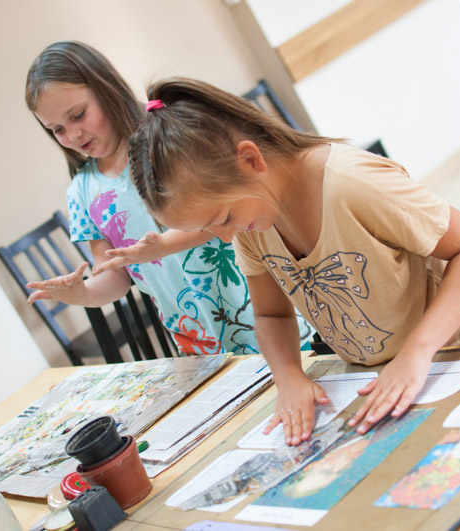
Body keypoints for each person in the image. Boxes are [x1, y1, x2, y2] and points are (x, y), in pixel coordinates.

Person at [127, 77, 460, 445]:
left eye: (224, 218)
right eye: (210, 228)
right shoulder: (251, 221)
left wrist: (417, 351)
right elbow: (271, 315)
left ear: (250, 160)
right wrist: (288, 376)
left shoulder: (350, 183)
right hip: (387, 376)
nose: (226, 236)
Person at [23, 41, 313, 356]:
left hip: (263, 308)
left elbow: (223, 215)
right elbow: (114, 273)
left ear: (106, 89)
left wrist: (161, 246)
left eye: (78, 115)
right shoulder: (80, 192)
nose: (73, 135)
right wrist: (83, 294)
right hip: (196, 340)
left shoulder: (167, 144)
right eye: (57, 129)